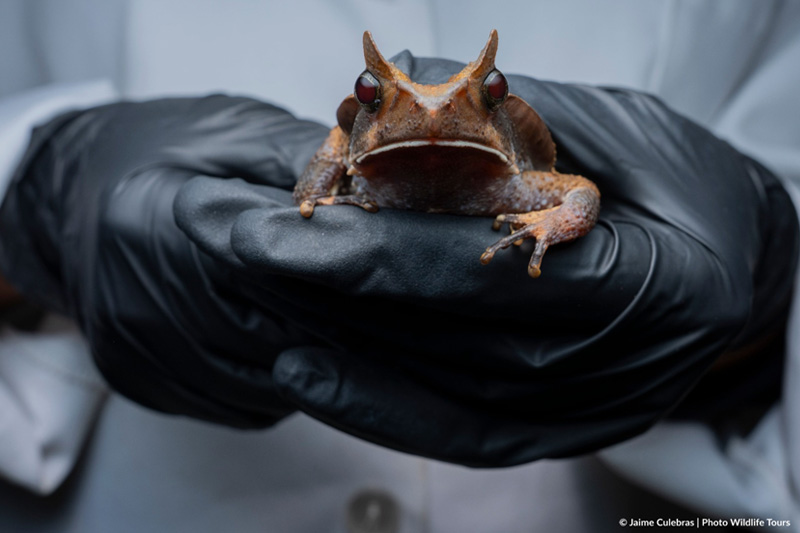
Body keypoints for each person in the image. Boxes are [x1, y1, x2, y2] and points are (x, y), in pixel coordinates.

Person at [0, 1, 798, 531]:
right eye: (378, 94)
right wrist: (34, 196)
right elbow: (324, 157)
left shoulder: (517, 169)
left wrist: (769, 287)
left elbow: (580, 190)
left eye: (479, 93)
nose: (435, 112)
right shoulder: (349, 143)